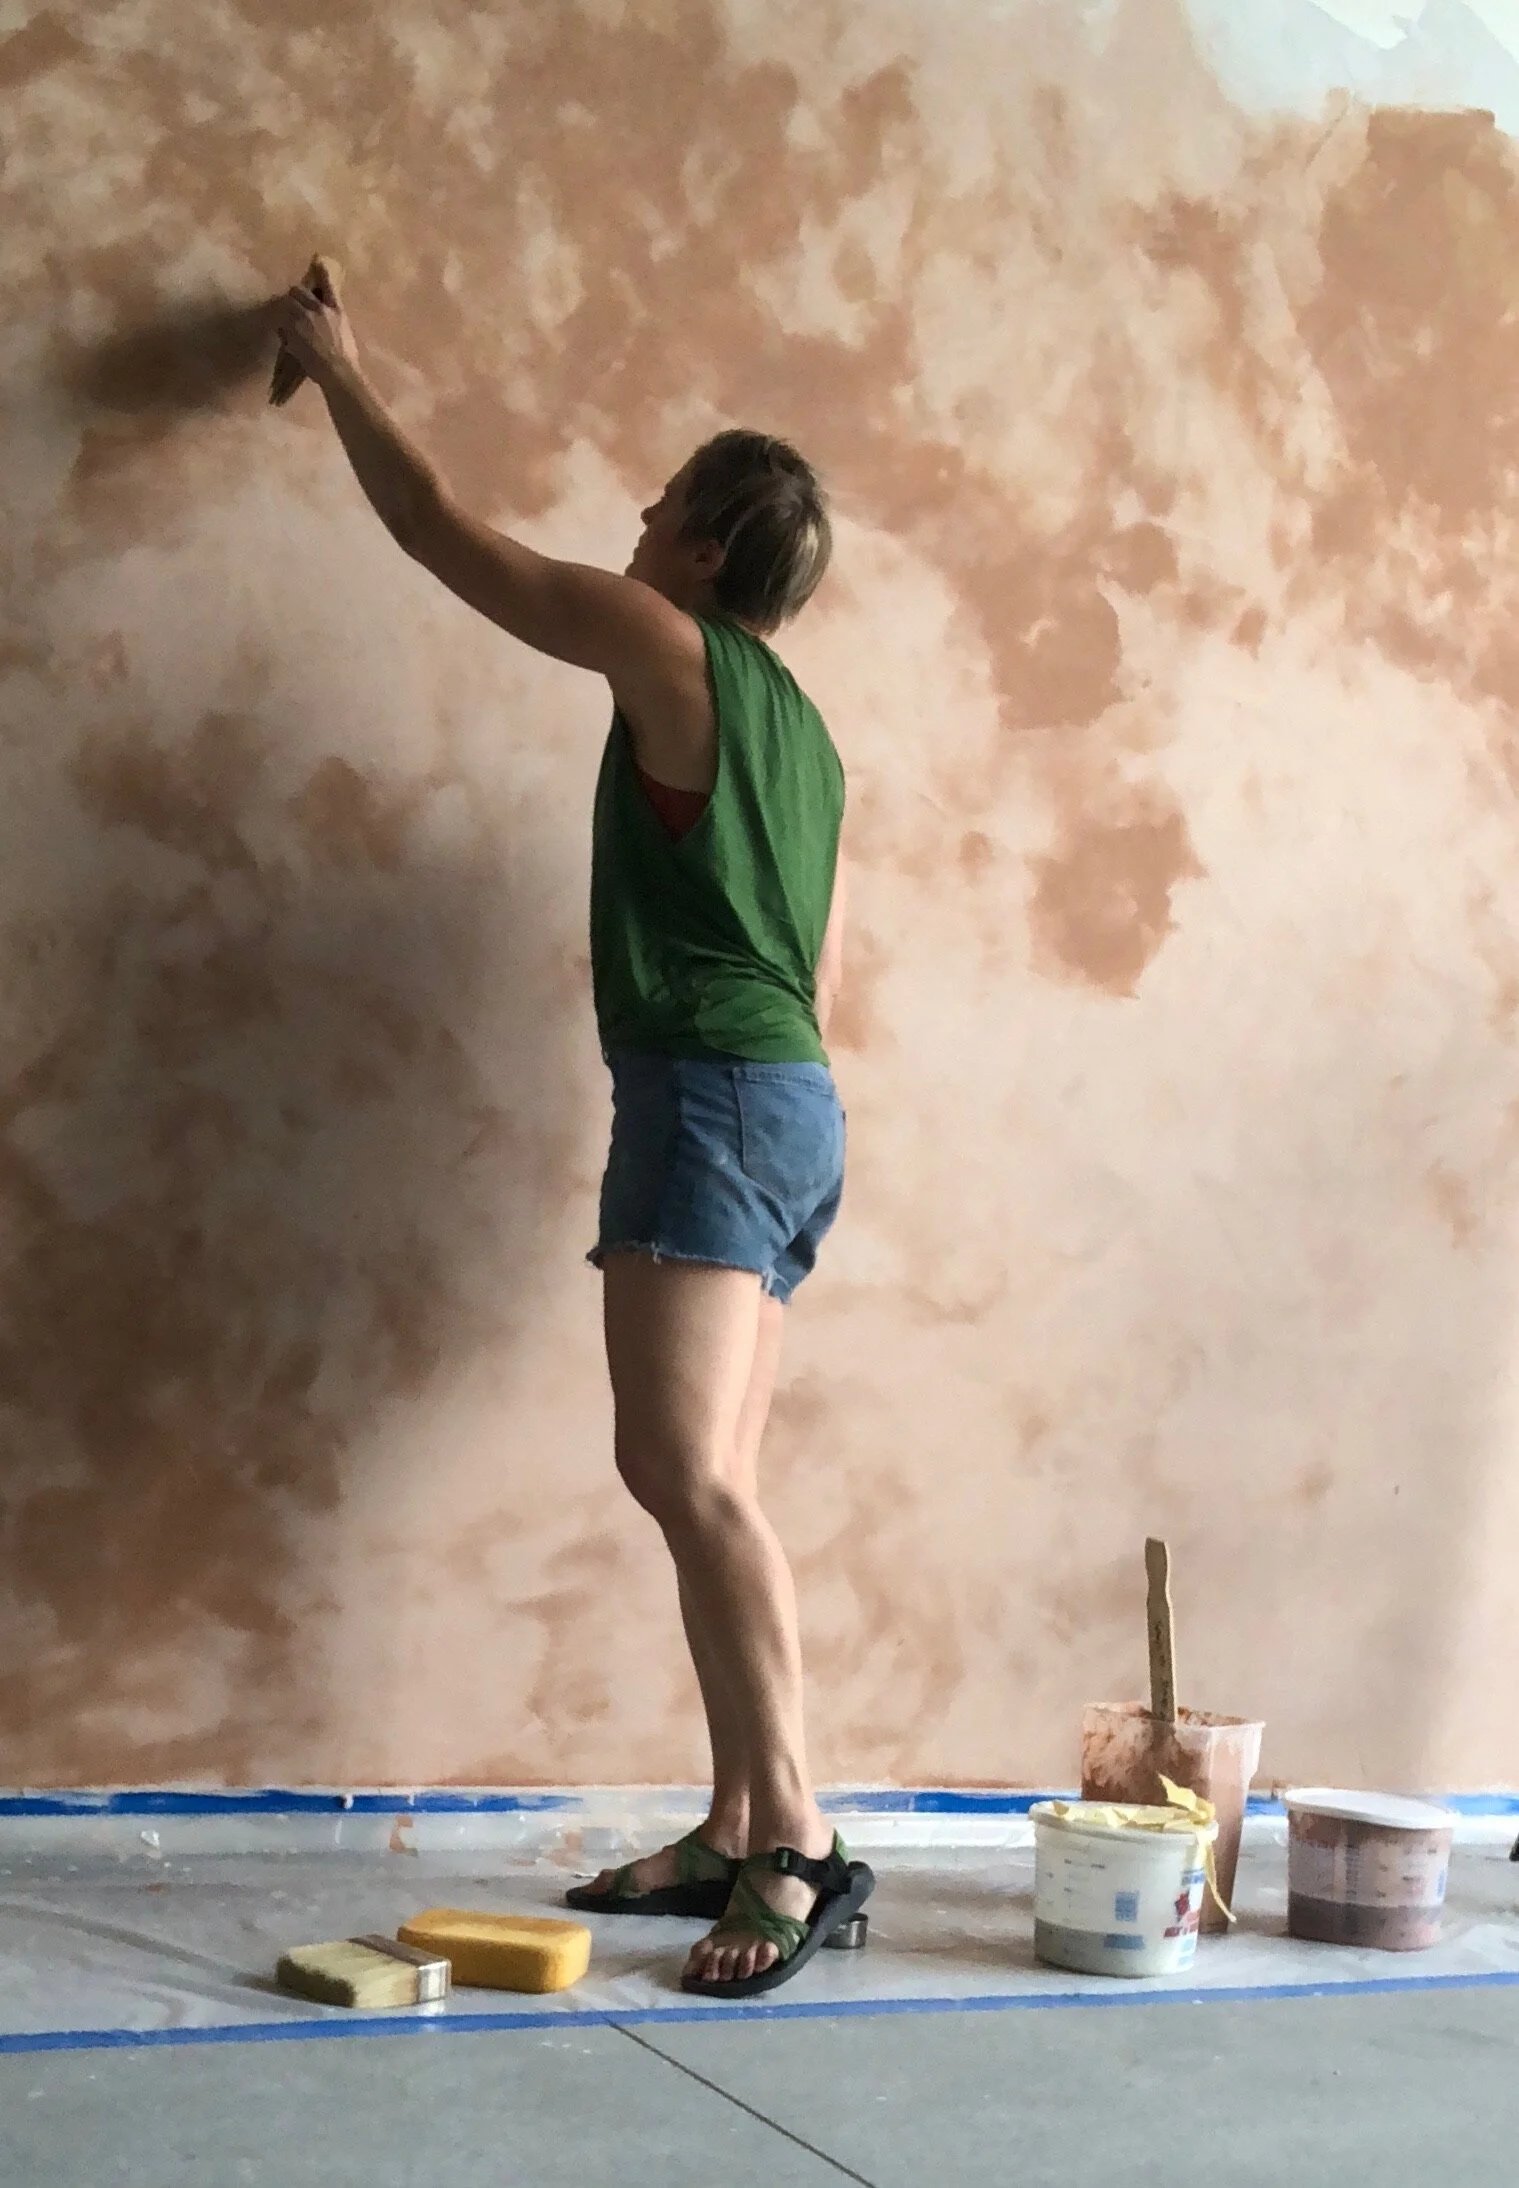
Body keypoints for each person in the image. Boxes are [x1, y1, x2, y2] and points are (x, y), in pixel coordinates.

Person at [275, 264, 873, 1998]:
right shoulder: (810, 741)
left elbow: (448, 541)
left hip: (711, 1093)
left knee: (683, 1476)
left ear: (705, 550)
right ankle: (733, 1821)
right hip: (789, 1101)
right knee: (705, 1480)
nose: (634, 519)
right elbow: (821, 968)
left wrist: (336, 369)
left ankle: (797, 1843)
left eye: (660, 503)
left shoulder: (666, 644)